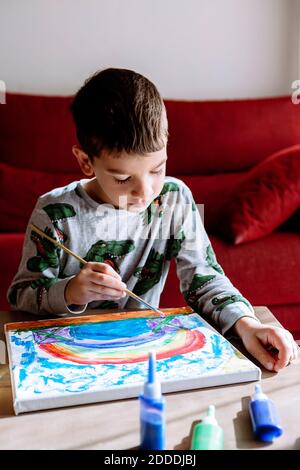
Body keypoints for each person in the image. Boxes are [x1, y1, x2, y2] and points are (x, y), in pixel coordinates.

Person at [7, 68, 298, 372]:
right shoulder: (53, 212)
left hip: (141, 357)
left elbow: (205, 279)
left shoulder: (175, 198)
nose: (144, 193)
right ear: (84, 161)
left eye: (157, 169)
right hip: (65, 360)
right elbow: (20, 295)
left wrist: (247, 325)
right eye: (122, 178)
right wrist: (70, 291)